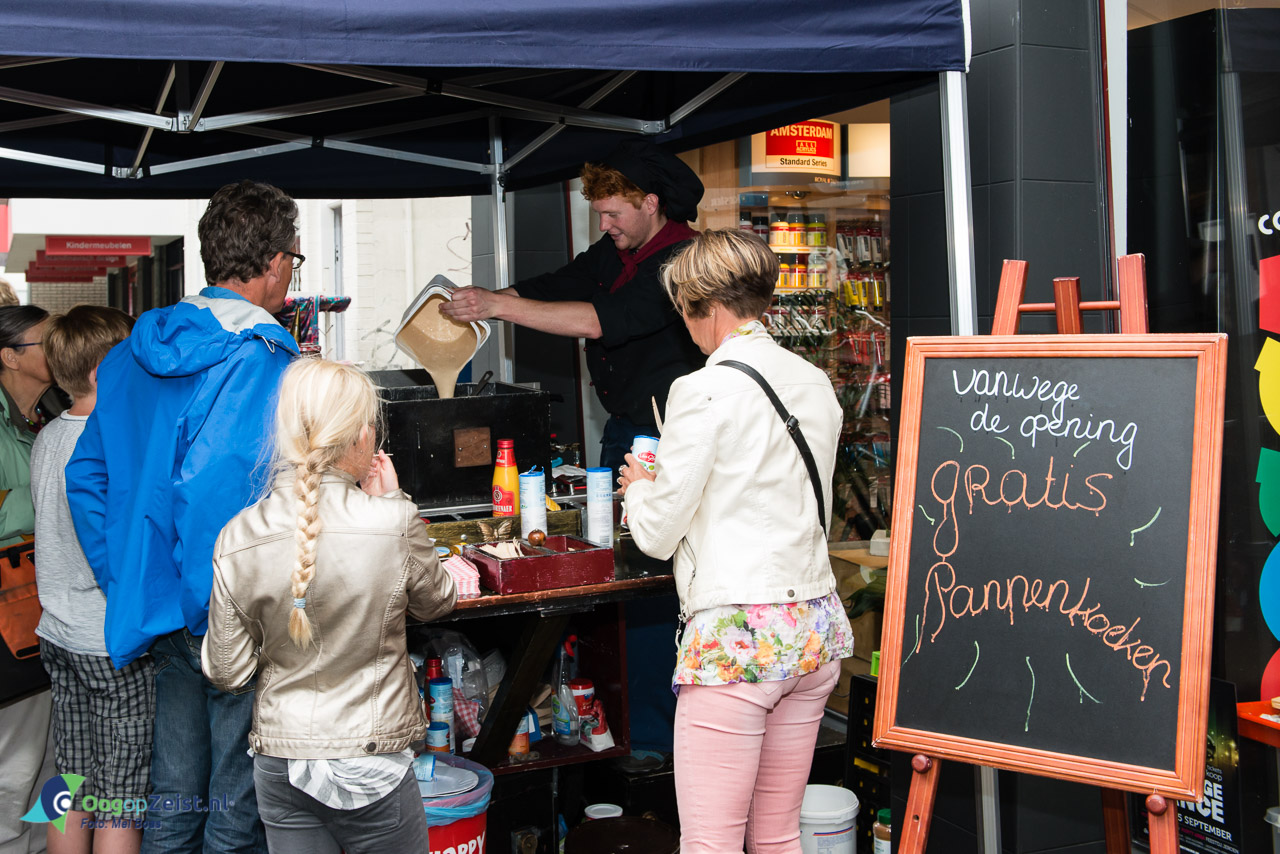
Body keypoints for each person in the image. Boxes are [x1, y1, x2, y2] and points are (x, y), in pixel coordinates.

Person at [67, 181, 303, 854]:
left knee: (175, 794)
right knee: (236, 800)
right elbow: (210, 496)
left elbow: (86, 477)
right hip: (223, 607)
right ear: (277, 262)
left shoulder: (127, 355)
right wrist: (218, 610)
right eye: (296, 259)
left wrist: (128, 572)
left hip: (162, 605)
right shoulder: (258, 354)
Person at [619, 229, 854, 853]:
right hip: (814, 627)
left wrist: (639, 487)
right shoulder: (814, 381)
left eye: (686, 314)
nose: (687, 329)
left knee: (711, 844)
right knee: (777, 836)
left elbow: (657, 533)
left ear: (709, 308)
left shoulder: (700, 390)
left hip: (738, 640)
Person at [202, 359, 457, 854]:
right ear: (362, 434)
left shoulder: (237, 536)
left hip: (281, 759)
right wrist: (394, 502)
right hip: (372, 758)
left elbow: (226, 671)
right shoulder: (392, 522)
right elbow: (437, 603)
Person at [442, 138, 707, 472]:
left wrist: (494, 307)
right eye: (598, 214)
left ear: (650, 203)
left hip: (672, 432)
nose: (603, 226)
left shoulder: (686, 260)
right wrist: (481, 300)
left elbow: (599, 322)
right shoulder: (613, 249)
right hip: (622, 425)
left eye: (613, 214)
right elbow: (555, 285)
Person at [33, 306, 147, 854]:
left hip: (55, 632)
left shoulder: (47, 435)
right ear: (108, 367)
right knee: (120, 792)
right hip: (107, 638)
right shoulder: (111, 442)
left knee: (69, 776)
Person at [0, 305, 63, 854]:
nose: (58, 348)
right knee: (15, 766)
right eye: (46, 341)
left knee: (48, 766)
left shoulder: (48, 411)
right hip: (9, 614)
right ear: (10, 356)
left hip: (45, 614)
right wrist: (48, 488)